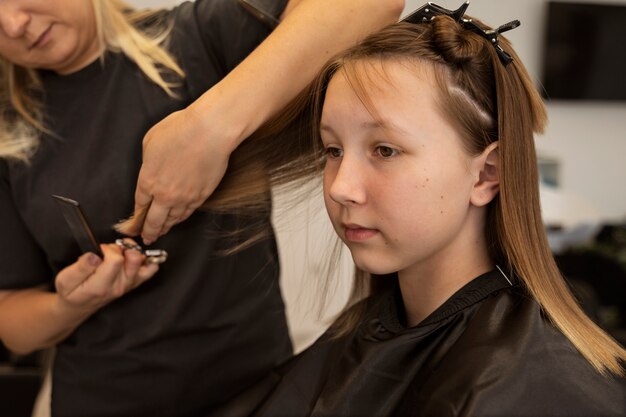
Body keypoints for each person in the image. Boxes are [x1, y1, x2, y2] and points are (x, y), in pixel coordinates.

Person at [0, 0, 403, 416]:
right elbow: (13, 324)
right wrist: (73, 304)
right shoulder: (8, 135)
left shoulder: (198, 36)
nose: (14, 25)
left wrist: (209, 127)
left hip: (256, 391)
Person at [235, 2, 626, 416]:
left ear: (486, 175)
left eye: (384, 150)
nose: (341, 188)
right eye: (333, 149)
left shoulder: (535, 385)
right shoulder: (371, 329)